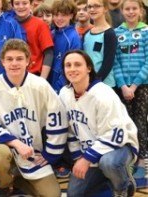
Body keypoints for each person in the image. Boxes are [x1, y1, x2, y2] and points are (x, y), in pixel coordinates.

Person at [0, 39, 68, 197]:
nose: (14, 63)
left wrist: (50, 154)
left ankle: (18, 181)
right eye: (9, 59)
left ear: (28, 61)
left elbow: (58, 118)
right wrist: (16, 143)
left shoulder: (40, 85)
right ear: (2, 62)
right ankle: (4, 185)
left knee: (53, 195)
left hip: (34, 153)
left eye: (19, 59)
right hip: (6, 147)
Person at [59, 49, 138, 197]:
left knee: (109, 163)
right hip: (90, 151)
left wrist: (87, 158)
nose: (72, 69)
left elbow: (116, 134)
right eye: (68, 65)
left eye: (77, 64)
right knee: (74, 194)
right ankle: (105, 178)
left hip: (120, 146)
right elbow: (70, 130)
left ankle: (123, 186)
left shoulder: (103, 94)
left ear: (88, 68)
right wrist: (78, 158)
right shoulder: (64, 93)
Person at [114, 0, 148, 179]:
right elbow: (115, 61)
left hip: (141, 86)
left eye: (134, 8)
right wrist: (123, 85)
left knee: (140, 122)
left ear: (140, 11)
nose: (131, 11)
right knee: (125, 123)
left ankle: (142, 160)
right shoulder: (117, 32)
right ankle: (129, 159)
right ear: (122, 11)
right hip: (123, 87)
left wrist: (134, 85)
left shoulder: (146, 31)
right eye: (127, 9)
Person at [11, 0, 54, 79]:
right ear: (12, 6)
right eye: (17, 4)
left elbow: (49, 53)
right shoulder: (9, 24)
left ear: (31, 5)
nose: (21, 7)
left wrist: (42, 79)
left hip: (34, 75)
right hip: (13, 73)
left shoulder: (40, 25)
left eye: (25, 3)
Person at [49, 0, 81, 93]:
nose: (59, 18)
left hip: (61, 87)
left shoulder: (73, 37)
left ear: (71, 15)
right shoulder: (53, 33)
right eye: (56, 15)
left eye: (63, 15)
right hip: (49, 81)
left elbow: (73, 67)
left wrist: (58, 87)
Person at [83, 0, 117, 88]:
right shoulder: (86, 34)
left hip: (104, 85)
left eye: (96, 6)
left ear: (105, 8)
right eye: (89, 6)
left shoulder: (109, 34)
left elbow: (108, 63)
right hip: (88, 83)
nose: (92, 9)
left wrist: (95, 82)